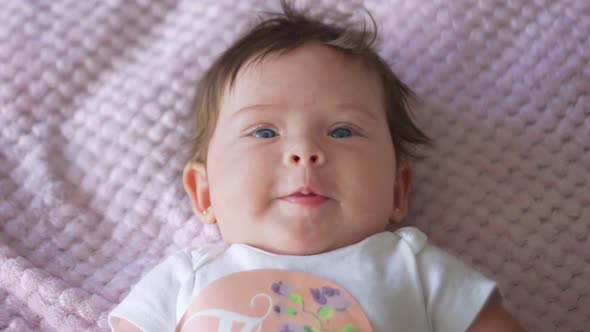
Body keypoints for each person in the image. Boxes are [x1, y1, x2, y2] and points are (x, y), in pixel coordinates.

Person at [109, 1, 524, 331]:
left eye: (343, 132)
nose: (304, 152)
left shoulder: (413, 269)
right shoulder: (185, 278)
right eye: (264, 132)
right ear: (205, 193)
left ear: (398, 190)